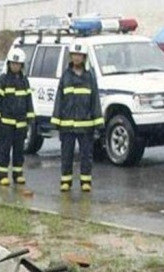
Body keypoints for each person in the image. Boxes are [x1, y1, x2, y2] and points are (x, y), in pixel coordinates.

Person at [51, 42, 103, 192]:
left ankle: (85, 181)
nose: (76, 58)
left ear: (84, 57)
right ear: (71, 57)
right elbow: (59, 99)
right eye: (74, 55)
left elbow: (95, 100)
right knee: (66, 154)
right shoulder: (65, 76)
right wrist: (56, 121)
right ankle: (66, 181)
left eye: (79, 55)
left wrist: (98, 122)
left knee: (86, 155)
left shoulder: (90, 77)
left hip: (86, 125)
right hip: (67, 125)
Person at [0, 47, 34, 186]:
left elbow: (28, 101)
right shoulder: (2, 80)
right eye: (13, 63)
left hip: (21, 124)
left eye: (18, 64)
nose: (15, 66)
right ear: (9, 64)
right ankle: (2, 175)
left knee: (19, 151)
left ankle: (18, 174)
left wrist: (30, 117)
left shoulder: (24, 81)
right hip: (6, 124)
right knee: (4, 150)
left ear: (22, 65)